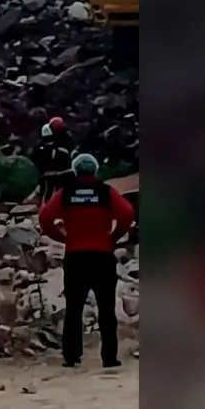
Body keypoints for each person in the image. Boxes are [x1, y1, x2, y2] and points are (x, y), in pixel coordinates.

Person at [38, 154, 136, 369]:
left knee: (74, 307)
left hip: (76, 256)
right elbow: (128, 213)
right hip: (102, 256)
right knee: (106, 307)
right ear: (95, 170)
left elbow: (44, 217)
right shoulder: (106, 191)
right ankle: (109, 357)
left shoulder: (66, 192)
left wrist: (62, 237)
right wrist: (114, 236)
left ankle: (71, 355)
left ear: (75, 170)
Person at [31, 117, 75, 204]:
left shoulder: (41, 146)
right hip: (64, 174)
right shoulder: (66, 141)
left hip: (52, 175)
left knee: (48, 194)